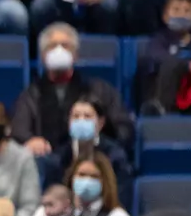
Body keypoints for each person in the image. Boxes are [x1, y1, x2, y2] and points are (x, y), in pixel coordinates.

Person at [12, 23, 134, 159]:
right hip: (47, 162)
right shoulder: (31, 95)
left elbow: (124, 128)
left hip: (95, 160)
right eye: (52, 46)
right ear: (43, 56)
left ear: (76, 54)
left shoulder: (99, 90)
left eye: (65, 46)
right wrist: (30, 141)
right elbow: (19, 131)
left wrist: (100, 143)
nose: (59, 51)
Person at [44, 98, 132, 193]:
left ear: (101, 123)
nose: (81, 121)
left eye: (87, 117)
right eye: (76, 116)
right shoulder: (58, 158)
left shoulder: (115, 155)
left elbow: (122, 191)